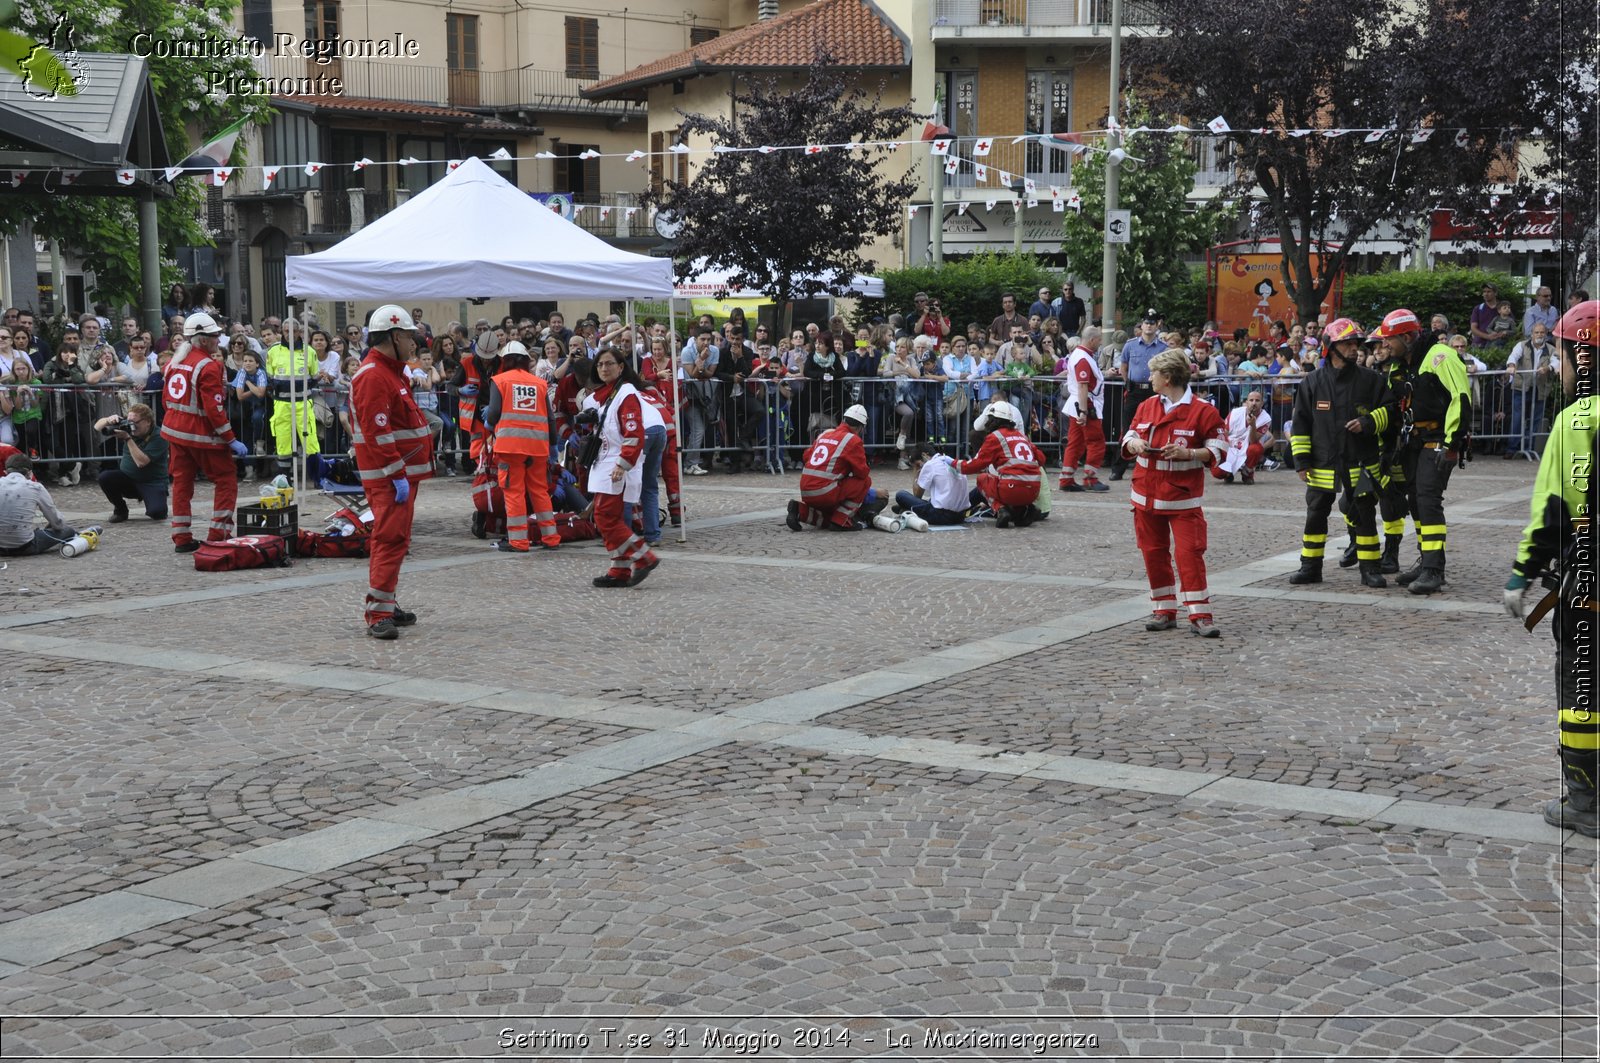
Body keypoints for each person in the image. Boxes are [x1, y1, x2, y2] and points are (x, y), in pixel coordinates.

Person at [1503, 298, 1598, 837]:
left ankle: (1586, 800)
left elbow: (1553, 511)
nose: (1557, 367)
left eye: (1561, 355)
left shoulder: (1577, 419)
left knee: (1584, 692)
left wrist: (1522, 574)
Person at [1122, 348, 1227, 636]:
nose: (1149, 377)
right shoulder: (1147, 405)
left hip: (1182, 498)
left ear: (1167, 377)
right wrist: (1134, 445)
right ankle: (1163, 610)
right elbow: (1131, 434)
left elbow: (1219, 450)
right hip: (1145, 495)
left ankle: (1200, 615)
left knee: (1189, 554)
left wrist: (1188, 452)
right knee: (1153, 553)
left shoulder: (1203, 411)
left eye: (1153, 373)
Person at [1369, 307, 1472, 595]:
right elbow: (1395, 405)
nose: (1384, 344)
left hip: (1439, 439)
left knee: (1428, 500)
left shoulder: (1441, 357)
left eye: (1389, 339)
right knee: (1416, 500)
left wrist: (1452, 445)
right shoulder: (1403, 364)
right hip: (1415, 440)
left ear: (1408, 336)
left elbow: (1460, 399)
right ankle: (1425, 560)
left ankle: (1434, 570)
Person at [1285, 319, 1394, 589]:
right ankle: (1310, 567)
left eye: (1355, 344)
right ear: (1330, 347)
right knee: (1315, 514)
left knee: (1365, 514)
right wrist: (1301, 462)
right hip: (1323, 461)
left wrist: (1368, 422)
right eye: (1347, 344)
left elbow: (1392, 411)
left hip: (1361, 459)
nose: (1354, 349)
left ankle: (1370, 569)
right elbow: (1301, 425)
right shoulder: (1312, 382)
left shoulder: (1371, 380)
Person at [351, 306, 434, 638]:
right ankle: (378, 612)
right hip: (390, 476)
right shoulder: (373, 375)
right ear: (396, 336)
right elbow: (378, 432)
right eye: (411, 337)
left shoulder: (392, 371)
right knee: (389, 539)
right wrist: (396, 473)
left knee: (396, 540)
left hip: (399, 474)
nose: (414, 343)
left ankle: (387, 601)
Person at [160, 312, 247, 551]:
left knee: (181, 484)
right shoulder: (209, 366)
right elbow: (214, 409)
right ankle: (219, 534)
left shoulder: (174, 363)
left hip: (175, 433)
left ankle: (182, 538)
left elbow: (166, 401)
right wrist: (231, 439)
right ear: (203, 339)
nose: (219, 339)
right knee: (227, 479)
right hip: (201, 435)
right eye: (215, 336)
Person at [583, 349, 661, 587]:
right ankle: (619, 568)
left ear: (620, 366)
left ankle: (643, 556)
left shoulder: (625, 393)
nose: (604, 368)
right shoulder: (608, 394)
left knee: (605, 517)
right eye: (600, 365)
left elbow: (633, 431)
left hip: (615, 464)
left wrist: (623, 463)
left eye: (609, 364)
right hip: (607, 461)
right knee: (611, 517)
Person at [482, 340, 559, 553]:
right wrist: (553, 445)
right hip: (537, 447)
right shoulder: (540, 384)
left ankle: (518, 541)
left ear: (504, 360)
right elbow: (551, 419)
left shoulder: (500, 380)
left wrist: (488, 425)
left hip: (510, 447)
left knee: (513, 492)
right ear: (526, 360)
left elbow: (494, 412)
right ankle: (551, 537)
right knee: (540, 492)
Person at [786, 404, 879, 531]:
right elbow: (862, 473)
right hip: (825, 492)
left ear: (844, 420)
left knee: (829, 517)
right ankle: (842, 521)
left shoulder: (825, 434)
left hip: (806, 490)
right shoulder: (853, 440)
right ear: (860, 427)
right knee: (865, 482)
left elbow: (807, 456)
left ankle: (800, 510)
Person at [958, 401, 1043, 528]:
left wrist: (953, 464)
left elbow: (974, 465)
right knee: (1008, 485)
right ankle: (1026, 509)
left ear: (992, 420)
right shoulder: (1022, 436)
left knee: (982, 479)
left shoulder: (995, 437)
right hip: (1034, 490)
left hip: (1011, 488)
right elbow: (1042, 459)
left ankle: (1000, 510)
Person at [1109, 310, 1167, 479]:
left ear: (1157, 326)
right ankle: (1118, 469)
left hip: (1153, 390)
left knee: (1156, 427)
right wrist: (1127, 382)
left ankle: (1154, 465)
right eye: (1146, 323)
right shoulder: (1130, 344)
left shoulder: (1163, 347)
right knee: (1127, 428)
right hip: (1134, 390)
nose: (1149, 326)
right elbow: (1124, 366)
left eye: (1152, 323)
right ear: (1142, 325)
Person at [92, 403, 168, 522]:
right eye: (129, 421)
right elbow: (97, 427)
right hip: (128, 479)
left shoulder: (159, 436)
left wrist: (127, 438)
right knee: (105, 477)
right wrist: (108, 420)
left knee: (157, 513)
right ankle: (120, 510)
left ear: (147, 422)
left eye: (135, 422)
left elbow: (141, 462)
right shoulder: (126, 427)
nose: (131, 425)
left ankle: (154, 499)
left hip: (152, 482)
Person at [1059, 325, 1109, 492]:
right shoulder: (1083, 358)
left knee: (1075, 443)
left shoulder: (1079, 355)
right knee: (1096, 441)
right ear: (1092, 340)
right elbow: (1083, 386)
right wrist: (1084, 411)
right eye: (1099, 340)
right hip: (1086, 404)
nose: (1100, 343)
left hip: (1080, 404)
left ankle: (1066, 479)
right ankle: (1090, 478)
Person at [0, 452, 76, 555]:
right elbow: (58, 523)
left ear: (6, 471)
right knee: (68, 531)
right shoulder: (35, 487)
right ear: (29, 473)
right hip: (25, 546)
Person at [893, 439, 969, 528]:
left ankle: (907, 509)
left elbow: (917, 495)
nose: (920, 467)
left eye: (918, 464)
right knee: (932, 499)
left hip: (941, 516)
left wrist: (915, 472)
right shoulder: (950, 460)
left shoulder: (930, 464)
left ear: (924, 455)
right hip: (961, 516)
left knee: (901, 495)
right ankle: (908, 509)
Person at [1212, 389, 1273, 485]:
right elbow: (1225, 433)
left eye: (1257, 401)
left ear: (1262, 403)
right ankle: (1228, 473)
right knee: (1216, 473)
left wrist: (1252, 425)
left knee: (1256, 449)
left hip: (1248, 446)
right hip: (1231, 446)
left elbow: (1253, 440)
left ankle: (1247, 473)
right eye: (1251, 400)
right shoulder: (1235, 412)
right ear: (1246, 402)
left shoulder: (1266, 418)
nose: (1254, 403)